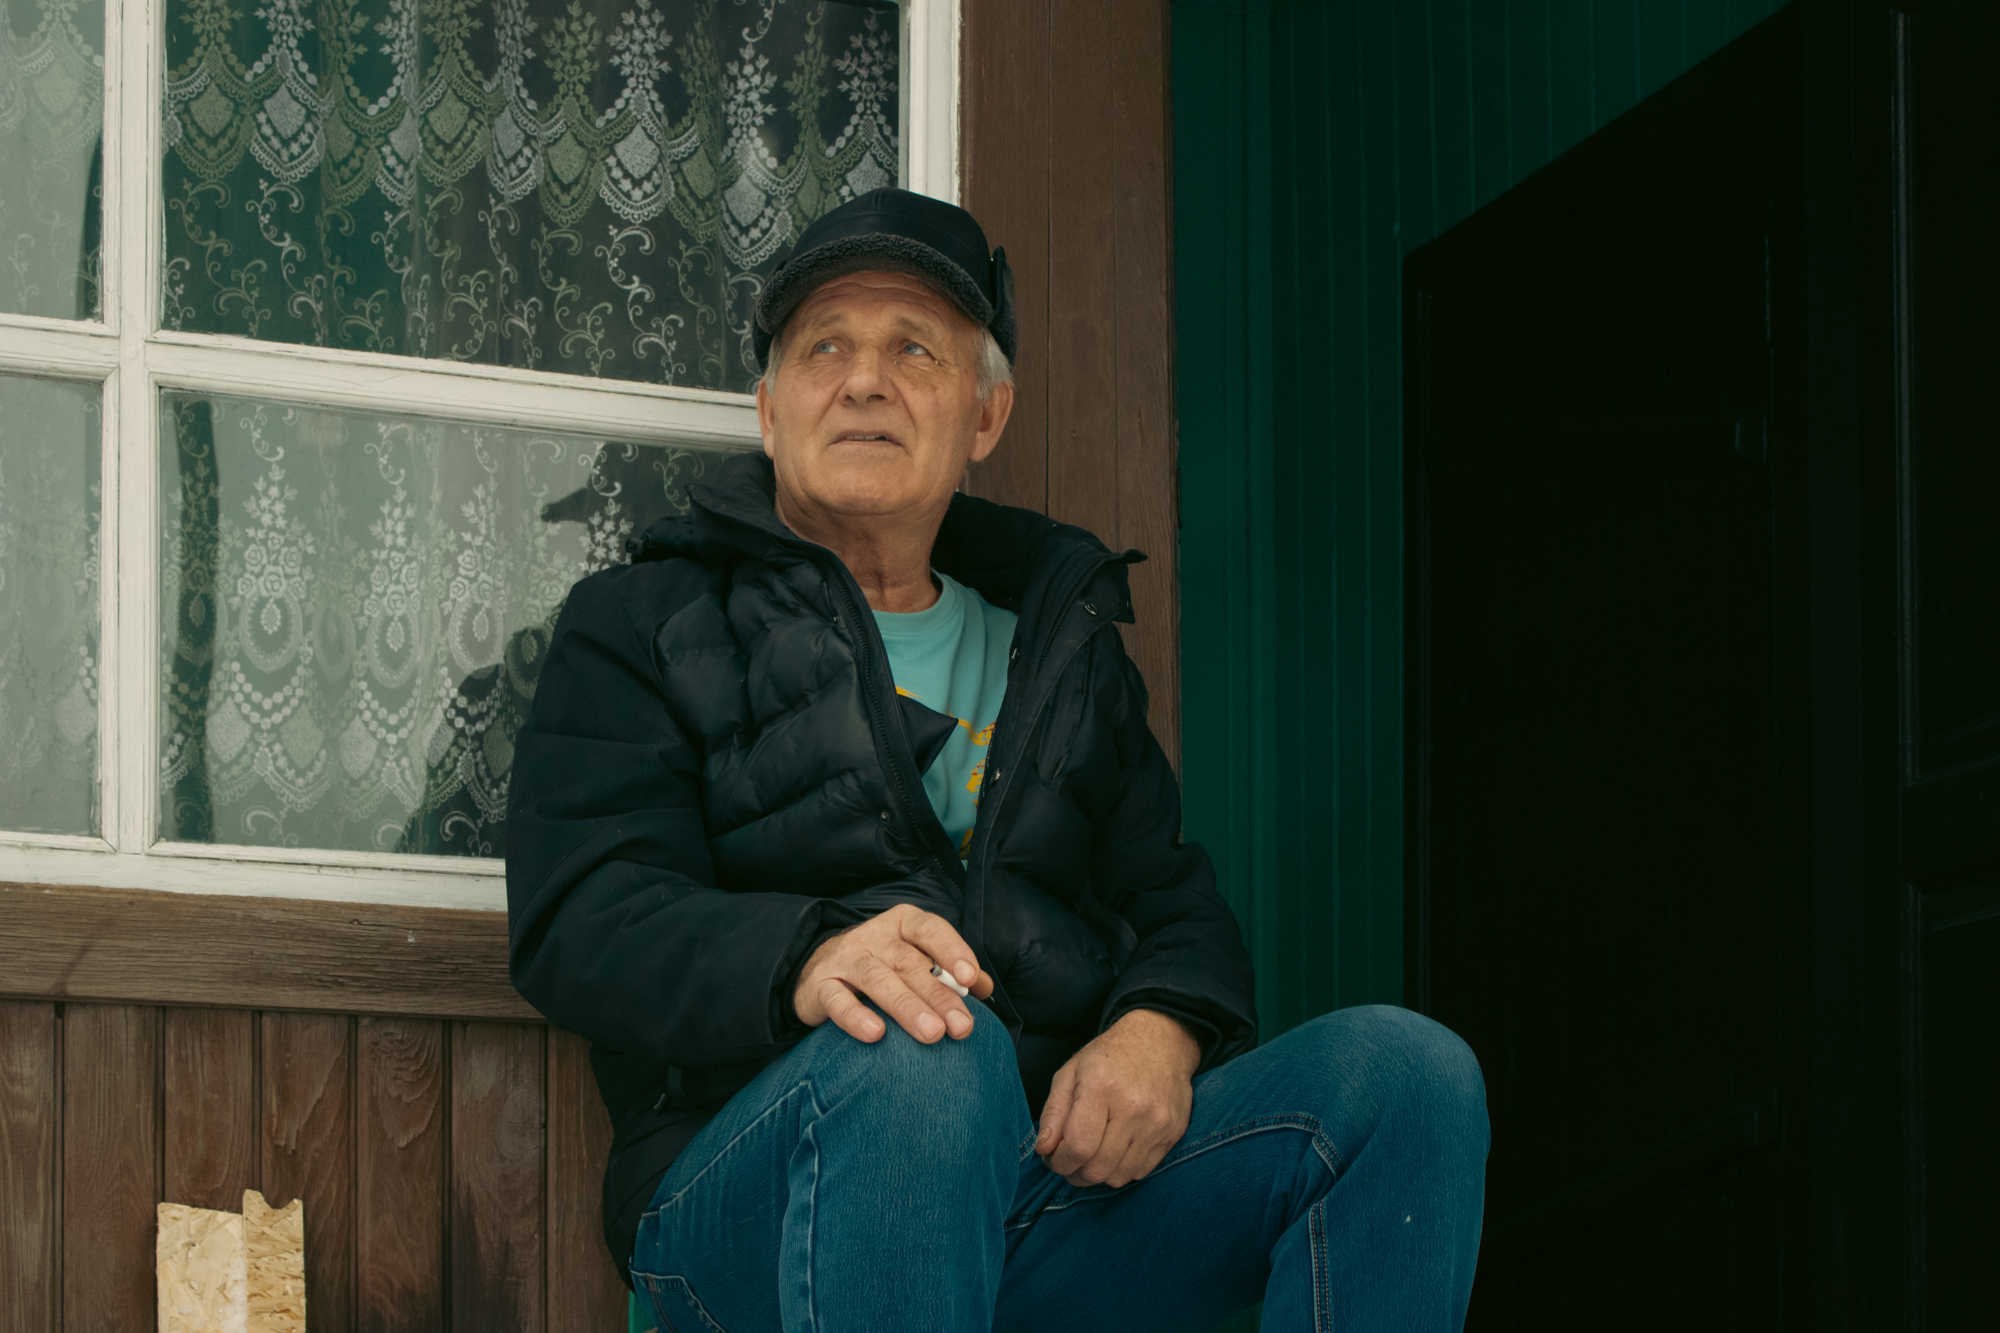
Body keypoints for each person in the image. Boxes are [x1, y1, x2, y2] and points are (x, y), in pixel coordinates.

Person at [505, 188, 1489, 1332]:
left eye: (913, 349)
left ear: (985, 413)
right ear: (769, 412)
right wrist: (805, 956)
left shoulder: (1055, 644)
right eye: (824, 347)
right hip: (749, 1207)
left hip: (1040, 1200)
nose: (863, 381)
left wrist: (1160, 1028)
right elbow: (581, 915)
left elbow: (1173, 903)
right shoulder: (642, 623)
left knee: (1404, 1078)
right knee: (924, 1039)